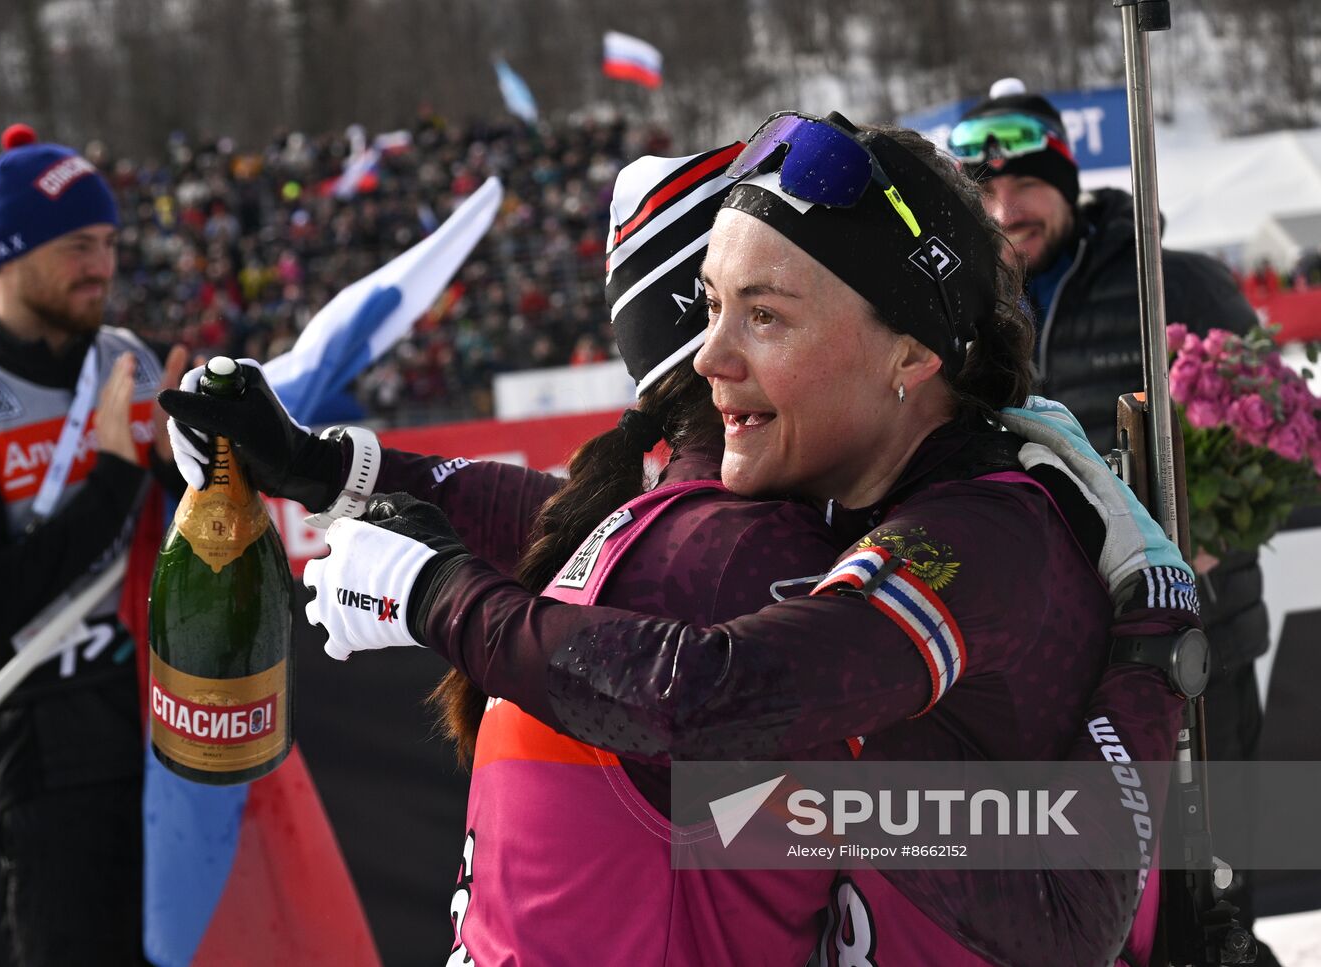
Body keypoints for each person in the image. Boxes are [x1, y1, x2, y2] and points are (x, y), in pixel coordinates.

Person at [164, 117, 1199, 966]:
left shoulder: (967, 535)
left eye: (763, 317)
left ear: (909, 355)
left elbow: (708, 691)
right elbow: (598, 528)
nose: (706, 357)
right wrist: (330, 467)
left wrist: (437, 597)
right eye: (708, 307)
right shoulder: (846, 482)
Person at [948, 80, 1277, 964]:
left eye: (1026, 186)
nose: (1007, 209)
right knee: (1109, 905)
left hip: (1201, 644)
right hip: (1068, 666)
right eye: (985, 195)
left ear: (1067, 181)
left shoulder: (1173, 281)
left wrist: (1206, 529)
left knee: (1217, 891)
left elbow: (1282, 439)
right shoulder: (969, 315)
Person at [0, 124, 186, 965]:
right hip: (51, 765)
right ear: (9, 252)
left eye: (108, 243)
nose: (101, 266)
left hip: (168, 732)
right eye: (77, 245)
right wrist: (113, 474)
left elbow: (190, 541)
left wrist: (201, 471)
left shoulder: (133, 363)